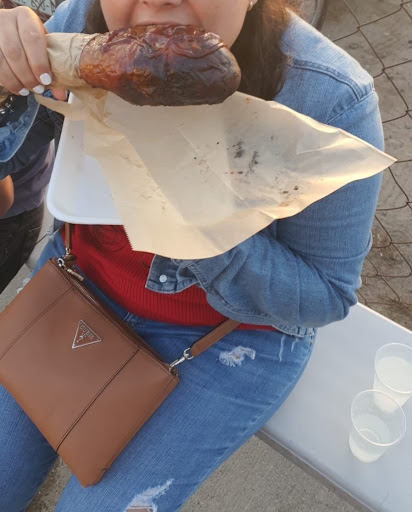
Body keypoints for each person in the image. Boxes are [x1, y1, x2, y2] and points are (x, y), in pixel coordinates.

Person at [0, 1, 384, 511]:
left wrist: (197, 219)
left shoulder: (330, 97)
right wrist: (5, 84)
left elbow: (325, 295)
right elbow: (15, 170)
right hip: (77, 281)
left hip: (228, 335)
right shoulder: (77, 22)